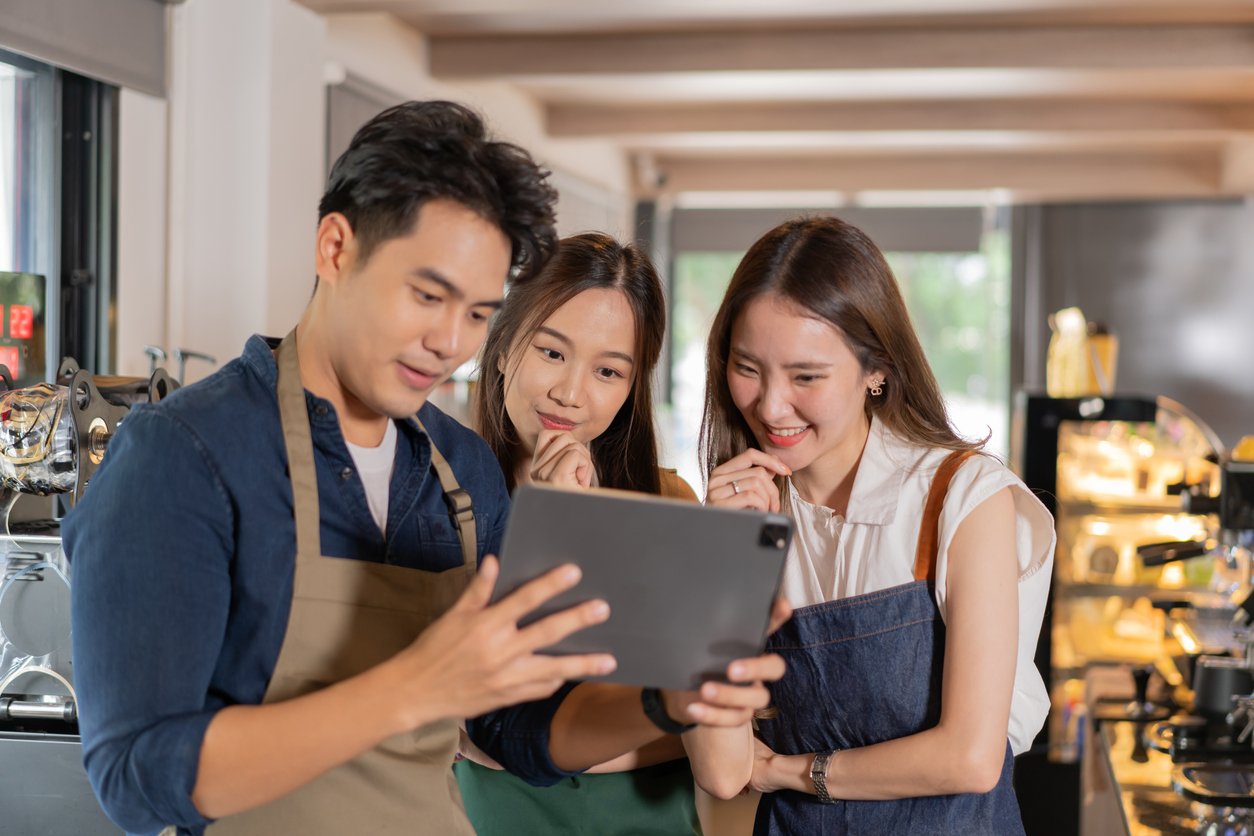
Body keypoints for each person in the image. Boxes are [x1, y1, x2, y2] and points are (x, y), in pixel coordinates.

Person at [64, 101, 777, 836]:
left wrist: (669, 702)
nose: (449, 342)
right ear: (336, 248)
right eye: (428, 296)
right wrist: (413, 688)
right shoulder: (185, 454)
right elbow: (135, 778)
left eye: (476, 313)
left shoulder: (459, 469)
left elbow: (521, 731)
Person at [683, 216, 1055, 834]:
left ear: (875, 369)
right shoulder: (741, 513)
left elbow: (968, 757)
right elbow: (723, 772)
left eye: (806, 377)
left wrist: (790, 773)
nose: (771, 407)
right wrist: (720, 566)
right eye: (748, 367)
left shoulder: (963, 498)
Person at [455, 232, 706, 834]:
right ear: (503, 344)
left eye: (608, 370)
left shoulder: (671, 506)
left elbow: (712, 728)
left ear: (631, 389)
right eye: (551, 352)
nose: (570, 394)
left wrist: (510, 748)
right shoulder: (438, 502)